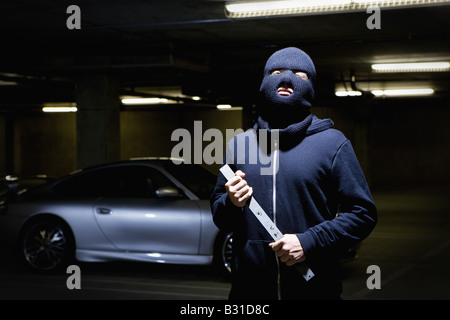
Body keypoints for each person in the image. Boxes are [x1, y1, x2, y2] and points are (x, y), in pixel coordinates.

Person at [210, 47, 377, 300]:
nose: (286, 80)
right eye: (277, 72)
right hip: (249, 291)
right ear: (265, 81)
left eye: (299, 75)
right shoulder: (239, 145)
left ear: (311, 86)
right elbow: (220, 216)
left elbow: (363, 214)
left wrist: (309, 242)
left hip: (315, 289)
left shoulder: (332, 144)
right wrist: (231, 203)